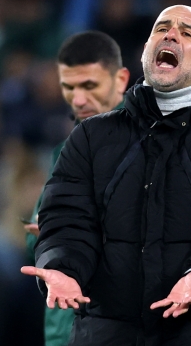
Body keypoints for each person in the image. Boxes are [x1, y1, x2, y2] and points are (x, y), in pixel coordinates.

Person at [21, 4, 191, 346]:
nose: (171, 34)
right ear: (144, 53)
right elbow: (66, 219)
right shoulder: (91, 137)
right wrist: (62, 266)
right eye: (162, 28)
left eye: (186, 33)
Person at [23, 31, 130, 346]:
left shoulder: (149, 145)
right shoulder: (64, 152)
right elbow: (38, 241)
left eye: (89, 86)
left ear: (121, 80)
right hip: (64, 327)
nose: (78, 100)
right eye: (68, 87)